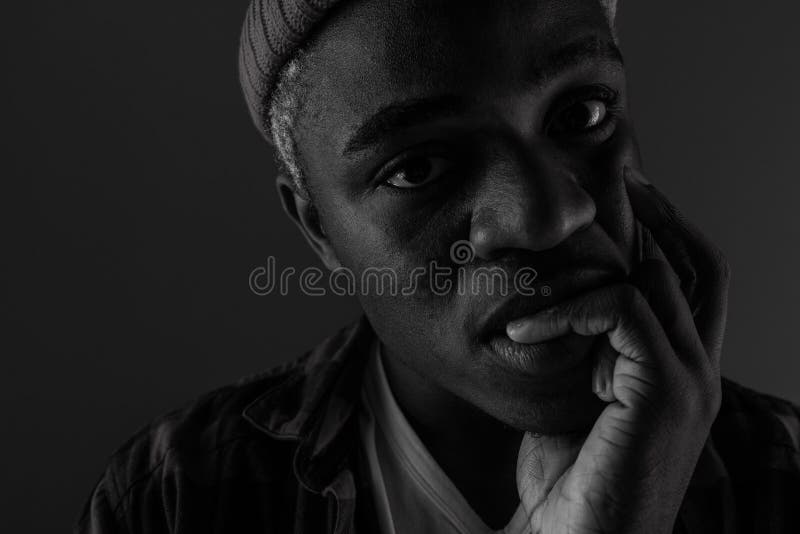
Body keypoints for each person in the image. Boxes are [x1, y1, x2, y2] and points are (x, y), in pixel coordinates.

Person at [75, 1, 800, 533]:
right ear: (318, 228)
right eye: (418, 167)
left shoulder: (779, 473)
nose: (548, 216)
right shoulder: (176, 499)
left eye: (580, 113)